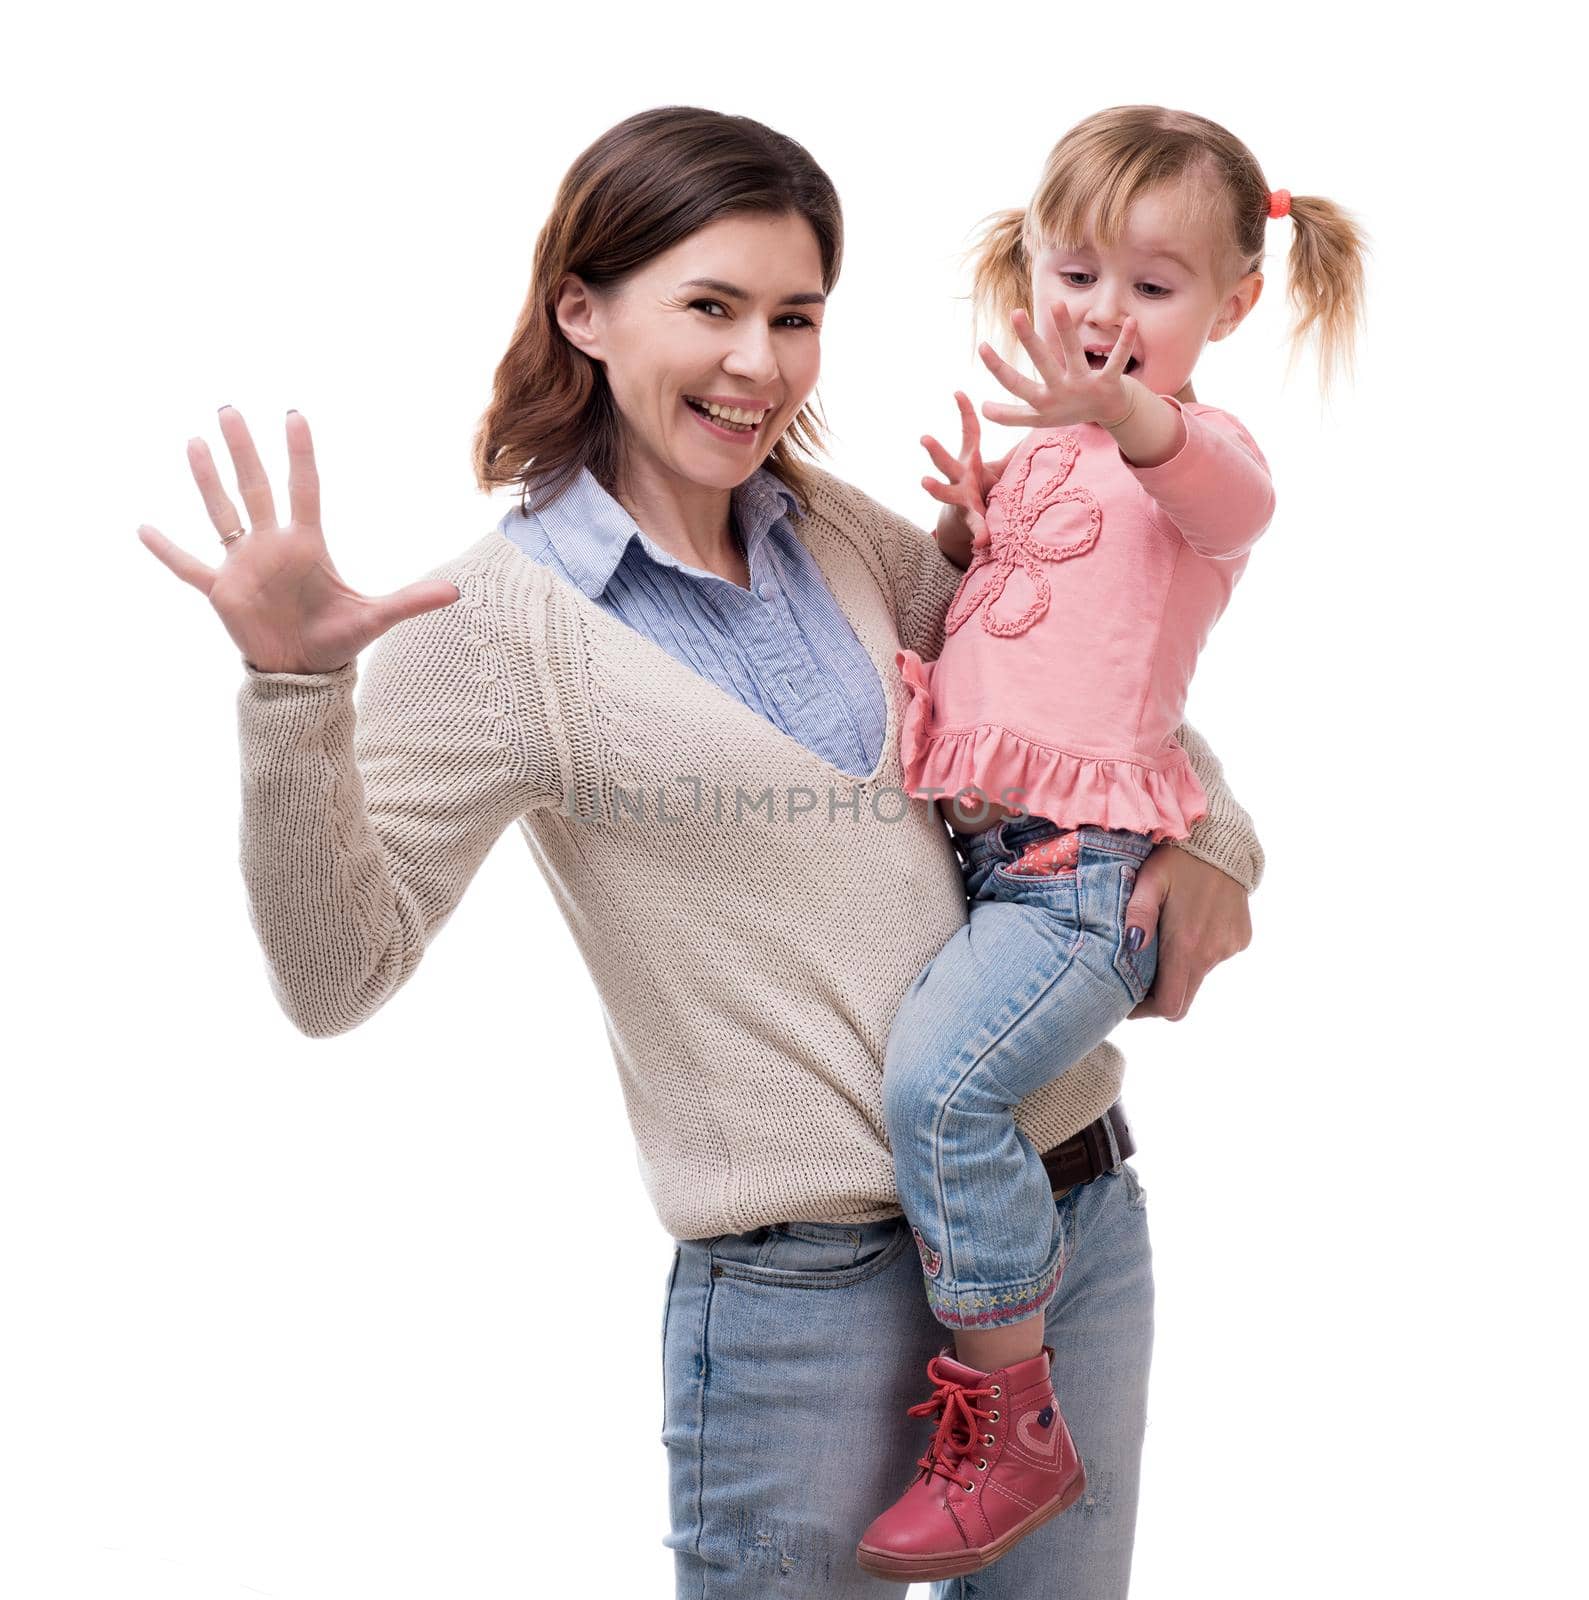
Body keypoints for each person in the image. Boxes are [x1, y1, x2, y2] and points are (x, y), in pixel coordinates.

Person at [135, 105, 1267, 1599]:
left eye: (794, 317)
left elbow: (1077, 707)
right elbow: (336, 977)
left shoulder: (847, 538)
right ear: (582, 310)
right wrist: (294, 692)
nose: (759, 363)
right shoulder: (489, 633)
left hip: (1070, 1220)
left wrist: (1221, 844)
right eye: (712, 308)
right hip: (810, 1303)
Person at [853, 106, 1369, 1582]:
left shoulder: (1198, 465)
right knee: (943, 1091)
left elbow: (1211, 485)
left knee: (940, 1093)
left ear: (1230, 306)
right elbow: (1003, 639)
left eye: (1152, 289)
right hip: (985, 866)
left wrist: (1123, 418)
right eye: (1074, 274)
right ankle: (1000, 1392)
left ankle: (1010, 1419)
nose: (1100, 316)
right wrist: (963, 532)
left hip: (1079, 884)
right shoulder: (1035, 466)